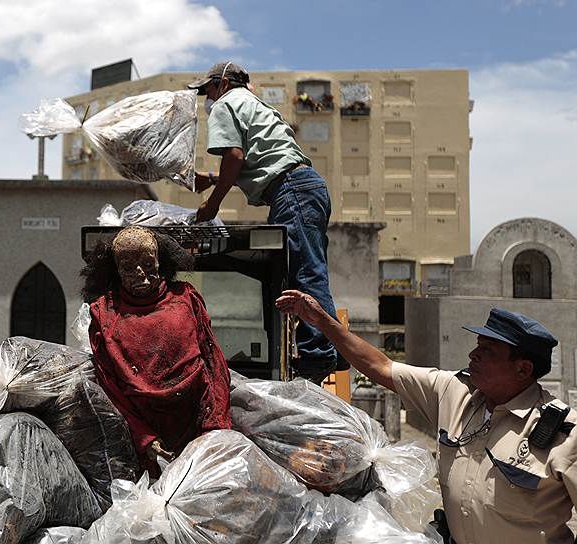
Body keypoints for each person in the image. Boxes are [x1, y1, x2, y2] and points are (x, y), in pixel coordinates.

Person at [276, 289, 577, 544]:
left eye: (489, 351)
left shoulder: (562, 433)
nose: (473, 355)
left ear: (523, 369)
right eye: (477, 346)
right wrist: (323, 323)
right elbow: (380, 366)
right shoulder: (453, 391)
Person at [188, 61, 343, 382]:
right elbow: (264, 158)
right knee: (303, 269)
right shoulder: (255, 105)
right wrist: (214, 179)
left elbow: (234, 156)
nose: (207, 99)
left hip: (292, 191)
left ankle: (316, 358)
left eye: (208, 90)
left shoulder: (225, 104)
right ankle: (331, 350)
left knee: (304, 273)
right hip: (303, 188)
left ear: (224, 84)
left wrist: (213, 203)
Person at [81, 226, 232, 476]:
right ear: (116, 270)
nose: (139, 273)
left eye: (147, 264)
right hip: (141, 435)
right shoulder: (104, 312)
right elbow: (109, 386)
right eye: (128, 267)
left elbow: (214, 364)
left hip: (195, 423)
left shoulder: (186, 298)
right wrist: (144, 438)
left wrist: (214, 428)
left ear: (159, 262)